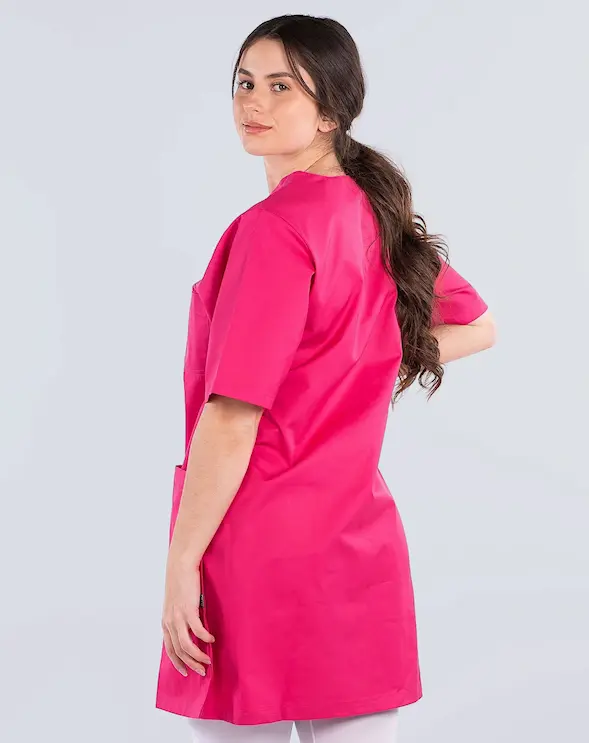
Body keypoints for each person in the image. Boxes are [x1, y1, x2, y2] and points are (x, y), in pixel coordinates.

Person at [155, 13, 496, 743]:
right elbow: (477, 326)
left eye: (281, 86)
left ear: (331, 110)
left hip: (254, 544)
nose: (253, 102)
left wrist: (181, 561)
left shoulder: (273, 229)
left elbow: (233, 415)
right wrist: (359, 357)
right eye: (244, 83)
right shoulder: (377, 213)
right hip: (354, 540)